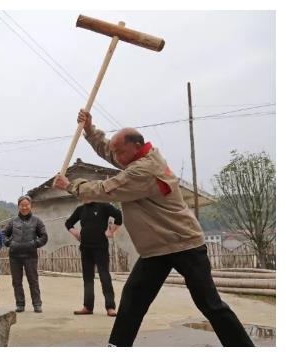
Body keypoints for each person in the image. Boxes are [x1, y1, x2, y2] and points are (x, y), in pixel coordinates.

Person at [52, 109, 254, 347]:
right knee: (132, 300)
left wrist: (72, 185)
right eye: (116, 152)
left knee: (210, 304)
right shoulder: (135, 158)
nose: (116, 156)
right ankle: (116, 347)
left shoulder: (145, 170)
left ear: (137, 147)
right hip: (157, 249)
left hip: (184, 244)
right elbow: (109, 149)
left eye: (121, 151)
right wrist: (89, 130)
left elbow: (107, 189)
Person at [64, 202, 122, 317]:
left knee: (105, 277)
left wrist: (111, 231)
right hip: (85, 249)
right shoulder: (80, 209)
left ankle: (110, 307)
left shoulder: (103, 206)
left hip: (100, 248)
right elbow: (68, 223)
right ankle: (88, 307)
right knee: (88, 278)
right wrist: (75, 233)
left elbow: (119, 216)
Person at [2, 195, 48, 313]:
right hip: (15, 256)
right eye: (22, 205)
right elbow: (3, 234)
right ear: (18, 206)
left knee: (33, 280)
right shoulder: (13, 221)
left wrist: (34, 244)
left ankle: (37, 304)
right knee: (16, 282)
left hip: (30, 255)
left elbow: (44, 236)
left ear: (30, 206)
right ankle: (20, 304)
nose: (24, 207)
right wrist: (9, 243)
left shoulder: (37, 221)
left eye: (26, 205)